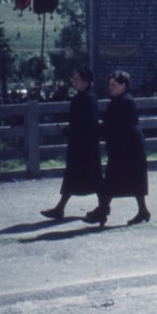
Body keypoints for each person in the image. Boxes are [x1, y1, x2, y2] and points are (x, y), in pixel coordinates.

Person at [84, 71, 149, 226]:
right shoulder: (116, 100)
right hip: (121, 147)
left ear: (123, 86)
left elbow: (119, 125)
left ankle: (104, 210)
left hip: (130, 148)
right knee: (115, 180)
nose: (110, 88)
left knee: (129, 180)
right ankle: (108, 210)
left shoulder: (126, 102)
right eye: (109, 85)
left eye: (113, 84)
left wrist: (101, 129)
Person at [41, 66, 103, 220]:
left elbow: (88, 123)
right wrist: (71, 129)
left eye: (77, 79)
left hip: (86, 146)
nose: (74, 82)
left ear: (85, 80)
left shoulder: (89, 98)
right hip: (78, 144)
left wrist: (73, 130)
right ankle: (60, 208)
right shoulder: (82, 97)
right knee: (73, 177)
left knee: (94, 179)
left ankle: (103, 207)